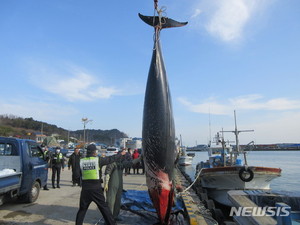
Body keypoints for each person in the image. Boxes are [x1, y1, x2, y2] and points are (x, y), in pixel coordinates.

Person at [75, 144, 126, 225]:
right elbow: (110, 159)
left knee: (82, 209)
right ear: (94, 152)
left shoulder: (81, 161)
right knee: (104, 208)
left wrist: (80, 182)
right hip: (96, 189)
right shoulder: (98, 160)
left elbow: (76, 175)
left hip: (85, 189)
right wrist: (120, 154)